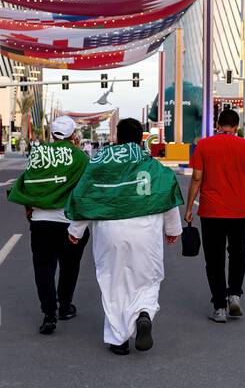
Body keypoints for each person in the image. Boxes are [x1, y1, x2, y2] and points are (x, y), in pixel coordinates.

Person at [67, 118, 182, 355]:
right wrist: (173, 230)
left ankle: (119, 339)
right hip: (146, 232)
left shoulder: (100, 162)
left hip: (110, 232)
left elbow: (86, 195)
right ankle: (144, 314)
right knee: (148, 280)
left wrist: (75, 230)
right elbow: (167, 194)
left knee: (114, 282)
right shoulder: (152, 165)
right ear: (141, 138)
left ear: (117, 137)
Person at [7, 116, 90, 335]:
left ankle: (49, 313)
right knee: (70, 266)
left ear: (52, 134)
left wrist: (28, 209)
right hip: (70, 223)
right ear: (74, 135)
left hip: (41, 222)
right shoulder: (80, 157)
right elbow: (86, 190)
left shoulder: (38, 154)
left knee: (44, 268)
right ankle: (64, 307)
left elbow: (29, 184)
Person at [184, 108, 245, 322]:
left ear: (218, 125)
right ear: (236, 127)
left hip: (211, 211)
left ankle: (219, 307)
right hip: (239, 210)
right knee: (238, 252)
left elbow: (197, 178)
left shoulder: (204, 145)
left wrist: (189, 208)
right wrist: (240, 169)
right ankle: (234, 295)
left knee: (214, 258)